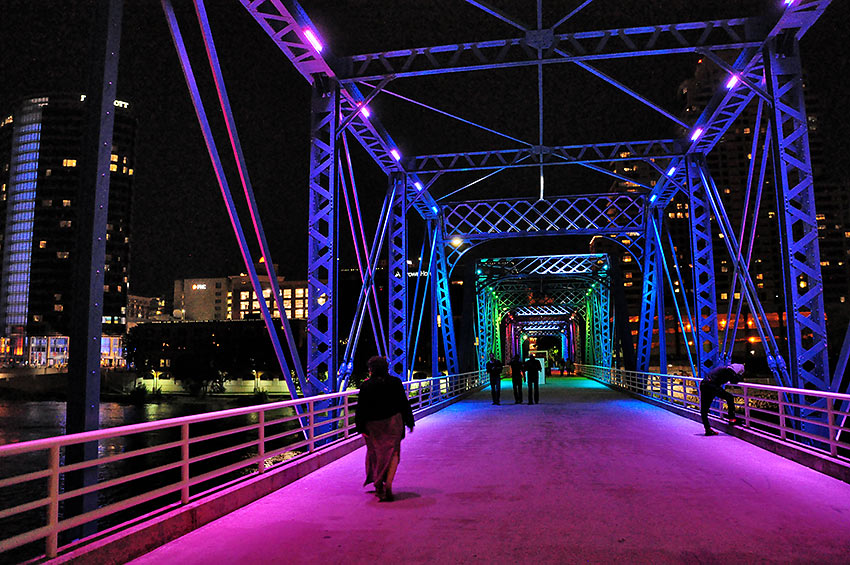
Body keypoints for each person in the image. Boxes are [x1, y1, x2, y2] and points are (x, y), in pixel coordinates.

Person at [355, 355, 415, 501]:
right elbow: (403, 403)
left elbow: (361, 408)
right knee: (393, 452)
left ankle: (378, 485)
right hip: (393, 422)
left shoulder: (366, 386)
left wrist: (360, 427)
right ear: (386, 368)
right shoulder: (395, 382)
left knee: (376, 453)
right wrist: (409, 421)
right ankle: (388, 483)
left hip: (373, 425)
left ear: (371, 370)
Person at [700, 363, 745, 436]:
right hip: (712, 386)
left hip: (704, 384)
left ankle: (707, 429)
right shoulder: (729, 371)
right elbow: (734, 381)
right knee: (730, 397)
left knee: (704, 409)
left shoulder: (723, 369)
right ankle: (732, 419)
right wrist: (739, 376)